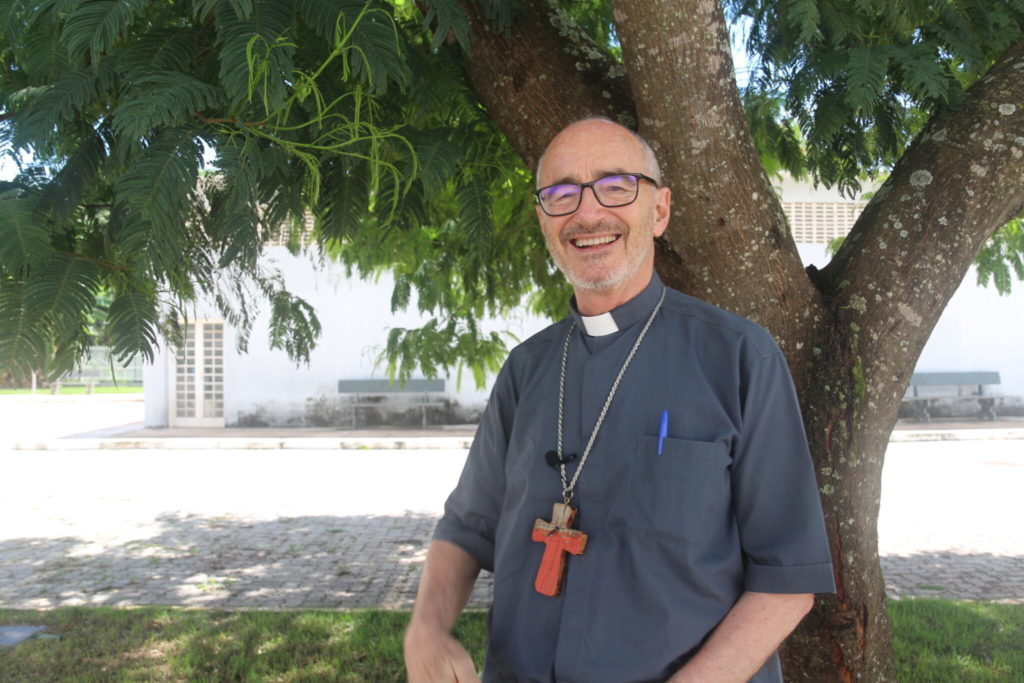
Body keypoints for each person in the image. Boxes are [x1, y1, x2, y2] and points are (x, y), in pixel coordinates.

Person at [403, 117, 835, 682]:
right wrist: (428, 627)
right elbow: (466, 528)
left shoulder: (738, 358)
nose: (587, 213)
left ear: (659, 211)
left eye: (615, 186)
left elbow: (787, 578)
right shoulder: (526, 368)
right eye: (561, 194)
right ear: (543, 219)